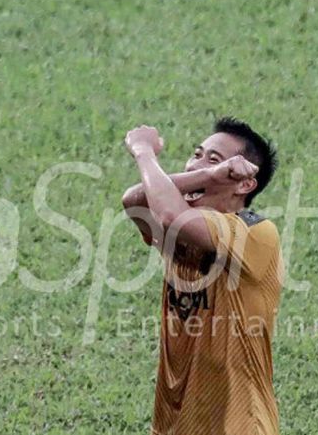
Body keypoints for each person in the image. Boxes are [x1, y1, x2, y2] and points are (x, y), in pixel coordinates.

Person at [122, 118, 282, 435]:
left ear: (245, 183)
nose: (197, 163)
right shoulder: (181, 235)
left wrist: (144, 152)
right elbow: (134, 200)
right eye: (196, 154)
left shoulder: (254, 233)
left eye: (214, 159)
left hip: (238, 425)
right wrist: (208, 175)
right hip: (176, 423)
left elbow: (170, 215)